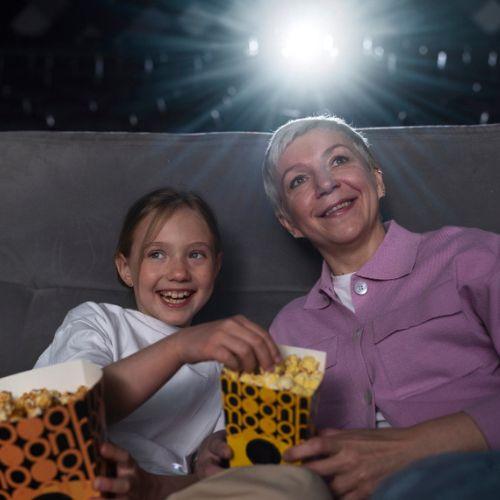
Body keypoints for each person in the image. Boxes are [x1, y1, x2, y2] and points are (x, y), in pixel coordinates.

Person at [195, 115, 500, 499]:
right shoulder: (288, 328)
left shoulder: (471, 257)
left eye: (339, 160)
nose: (326, 184)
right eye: (299, 180)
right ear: (289, 222)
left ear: (378, 179)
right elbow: (269, 446)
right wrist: (218, 449)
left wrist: (412, 447)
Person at [35, 187, 281, 498]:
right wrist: (180, 347)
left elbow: (218, 453)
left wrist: (215, 448)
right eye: (157, 254)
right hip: (78, 480)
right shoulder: (97, 321)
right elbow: (72, 413)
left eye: (195, 255)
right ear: (126, 269)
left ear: (216, 267)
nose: (178, 272)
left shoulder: (229, 360)